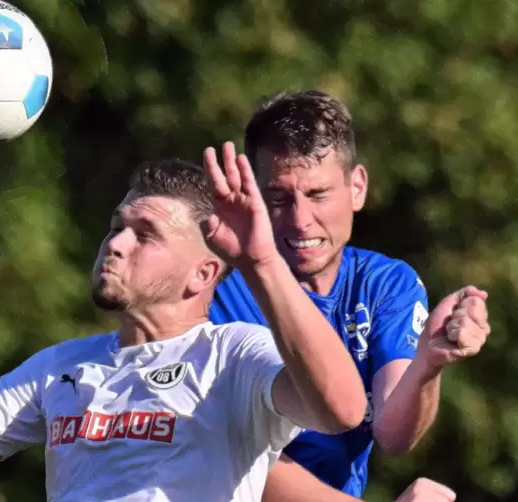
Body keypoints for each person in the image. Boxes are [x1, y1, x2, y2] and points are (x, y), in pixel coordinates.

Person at [0, 158, 370, 501]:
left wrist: (264, 264)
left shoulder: (233, 356)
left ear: (203, 273)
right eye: (116, 226)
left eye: (144, 234)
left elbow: (341, 407)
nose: (116, 243)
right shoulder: (61, 368)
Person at [208, 91, 491, 500]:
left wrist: (429, 363)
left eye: (318, 195)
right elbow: (234, 455)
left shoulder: (385, 283)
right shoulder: (219, 296)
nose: (301, 221)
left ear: (357, 187)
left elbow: (393, 436)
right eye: (279, 198)